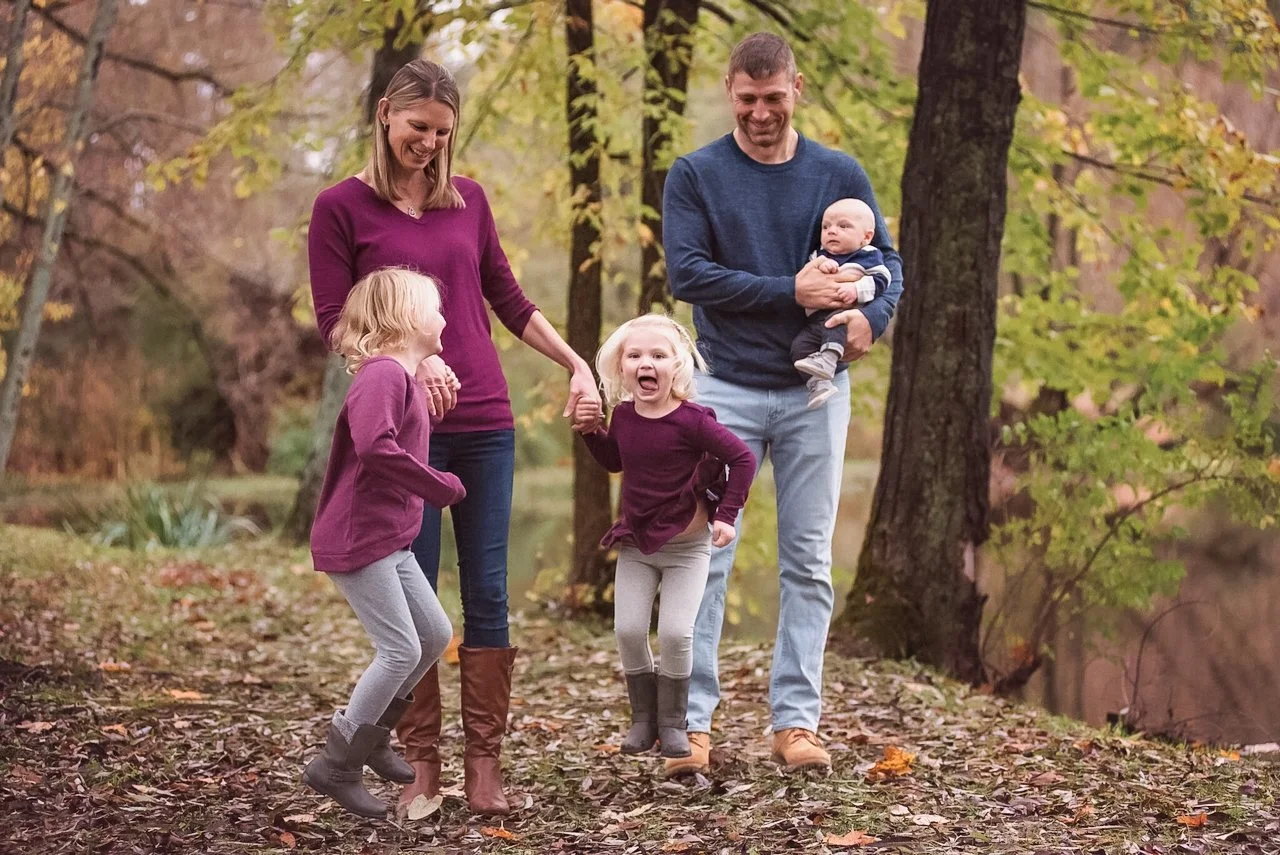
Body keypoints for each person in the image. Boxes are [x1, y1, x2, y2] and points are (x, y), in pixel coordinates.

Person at [308, 59, 602, 815]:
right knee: (417, 605)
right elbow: (337, 321)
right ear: (384, 115)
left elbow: (507, 295)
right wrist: (417, 356)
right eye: (417, 129)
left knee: (490, 590)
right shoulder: (339, 207)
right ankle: (423, 761)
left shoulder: (468, 199)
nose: (430, 144)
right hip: (404, 432)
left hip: (485, 421)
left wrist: (576, 363)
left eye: (442, 132)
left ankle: (484, 764)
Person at [660, 32, 904, 776]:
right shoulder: (696, 174)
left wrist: (872, 320)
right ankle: (692, 727)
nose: (761, 113)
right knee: (705, 559)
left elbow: (886, 263)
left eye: (773, 98)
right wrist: (786, 292)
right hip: (724, 387)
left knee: (808, 561)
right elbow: (688, 274)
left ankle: (795, 723)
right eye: (747, 99)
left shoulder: (837, 172)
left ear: (795, 89)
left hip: (814, 394)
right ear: (730, 93)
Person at [302, 267, 463, 819]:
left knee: (435, 633)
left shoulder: (406, 377)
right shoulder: (382, 376)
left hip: (388, 539)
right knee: (398, 648)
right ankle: (337, 762)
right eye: (435, 308)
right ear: (405, 320)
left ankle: (370, 739)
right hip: (358, 539)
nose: (445, 318)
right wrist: (435, 485)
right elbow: (375, 446)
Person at [574, 315, 756, 760]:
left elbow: (744, 458)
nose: (646, 363)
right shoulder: (624, 415)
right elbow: (617, 460)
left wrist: (727, 515)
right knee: (629, 630)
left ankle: (675, 724)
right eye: (635, 355)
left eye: (658, 355)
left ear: (677, 367)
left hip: (687, 549)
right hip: (638, 545)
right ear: (621, 367)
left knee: (676, 633)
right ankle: (644, 720)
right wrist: (590, 432)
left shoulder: (692, 421)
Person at [791, 198, 892, 409]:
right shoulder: (819, 255)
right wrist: (821, 265)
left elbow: (882, 279)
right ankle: (819, 385)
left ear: (866, 236)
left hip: (843, 312)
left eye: (843, 226)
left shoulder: (868, 256)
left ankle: (827, 360)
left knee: (834, 325)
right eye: (826, 227)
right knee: (799, 346)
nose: (832, 231)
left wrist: (856, 290)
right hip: (814, 320)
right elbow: (807, 275)